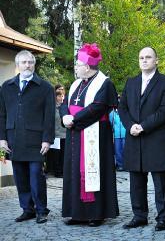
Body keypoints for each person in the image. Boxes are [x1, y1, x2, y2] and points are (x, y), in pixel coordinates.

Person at [60, 43, 119, 227]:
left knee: (93, 172)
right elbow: (64, 103)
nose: (75, 67)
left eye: (78, 64)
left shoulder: (105, 83)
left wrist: (74, 119)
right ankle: (76, 213)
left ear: (87, 66)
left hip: (95, 134)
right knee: (75, 172)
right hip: (75, 134)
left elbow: (98, 107)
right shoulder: (76, 83)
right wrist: (64, 116)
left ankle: (95, 213)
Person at [118, 47, 165, 231]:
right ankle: (139, 216)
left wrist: (143, 126)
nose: (144, 60)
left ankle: (163, 217)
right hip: (134, 138)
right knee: (136, 182)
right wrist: (130, 126)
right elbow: (123, 108)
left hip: (156, 138)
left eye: (148, 57)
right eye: (141, 57)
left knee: (161, 182)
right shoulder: (131, 82)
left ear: (156, 60)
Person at [0, 50, 55, 224]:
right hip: (13, 139)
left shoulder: (45, 87)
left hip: (36, 141)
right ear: (17, 65)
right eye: (23, 62)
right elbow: (1, 114)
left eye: (30, 62)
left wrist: (47, 139)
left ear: (34, 64)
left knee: (36, 177)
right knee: (20, 177)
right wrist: (2, 138)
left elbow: (49, 116)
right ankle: (27, 209)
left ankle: (41, 210)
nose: (27, 65)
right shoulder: (6, 87)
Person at [47, 86, 66, 177]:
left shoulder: (65, 107)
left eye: (62, 96)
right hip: (56, 135)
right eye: (59, 96)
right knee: (56, 155)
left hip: (65, 135)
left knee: (63, 154)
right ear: (55, 97)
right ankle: (57, 172)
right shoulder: (52, 108)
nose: (61, 98)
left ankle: (62, 171)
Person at [109, 101, 126, 171]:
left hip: (125, 134)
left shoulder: (125, 112)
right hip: (116, 135)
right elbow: (110, 123)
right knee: (118, 150)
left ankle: (126, 165)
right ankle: (120, 165)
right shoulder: (112, 114)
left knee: (125, 150)